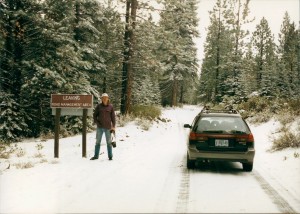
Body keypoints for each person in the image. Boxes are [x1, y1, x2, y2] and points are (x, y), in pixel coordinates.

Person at [91, 93, 116, 160]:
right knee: (97, 142)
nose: (104, 99)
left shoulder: (111, 107)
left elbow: (113, 117)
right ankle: (96, 156)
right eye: (103, 98)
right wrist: (97, 122)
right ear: (101, 99)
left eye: (106, 98)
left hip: (108, 128)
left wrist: (113, 126)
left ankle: (110, 157)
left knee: (109, 142)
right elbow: (94, 115)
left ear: (108, 98)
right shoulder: (99, 106)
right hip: (100, 128)